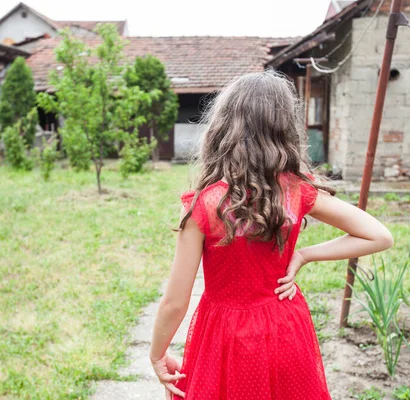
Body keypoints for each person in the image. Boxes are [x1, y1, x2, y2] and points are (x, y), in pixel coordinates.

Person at [148, 70, 394, 400]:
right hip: (285, 328)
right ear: (284, 129)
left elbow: (175, 303)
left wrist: (157, 353)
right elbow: (379, 235)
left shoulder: (202, 206)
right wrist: (305, 255)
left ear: (223, 127)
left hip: (223, 335)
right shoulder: (296, 191)